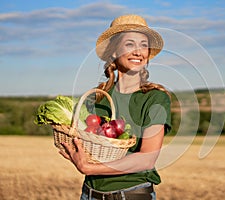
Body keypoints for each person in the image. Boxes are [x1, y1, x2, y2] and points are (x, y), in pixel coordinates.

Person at [60, 14, 172, 200]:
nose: (138, 52)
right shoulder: (96, 97)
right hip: (90, 194)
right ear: (113, 52)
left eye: (144, 45)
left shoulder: (155, 98)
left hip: (131, 195)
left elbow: (147, 158)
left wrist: (89, 168)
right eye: (129, 44)